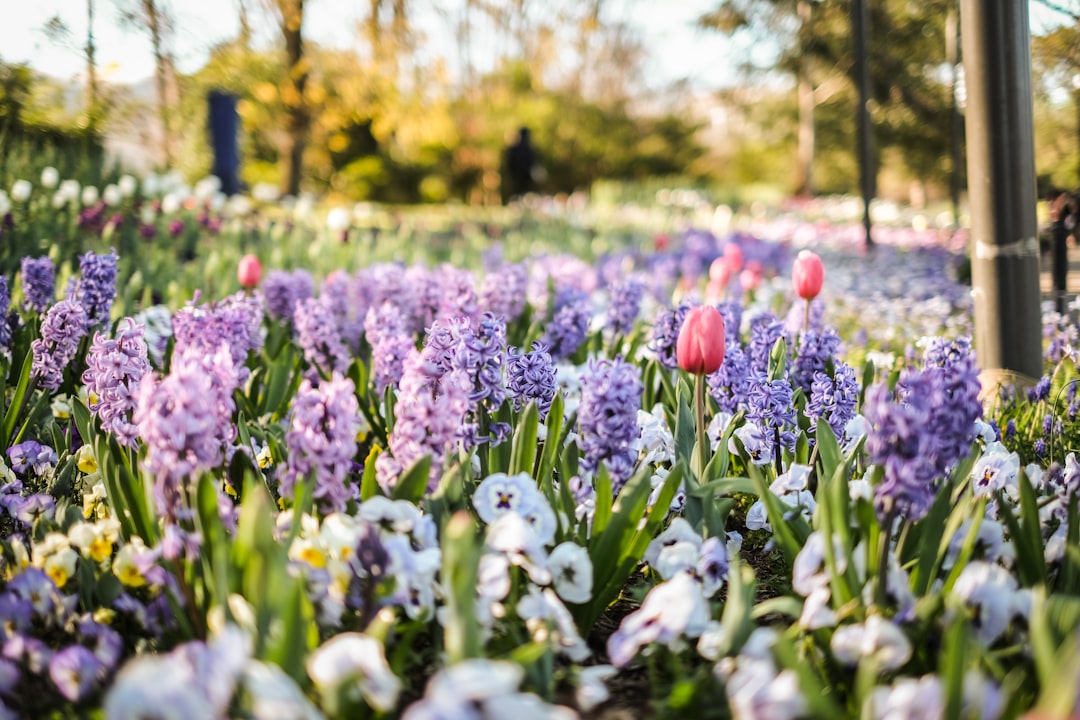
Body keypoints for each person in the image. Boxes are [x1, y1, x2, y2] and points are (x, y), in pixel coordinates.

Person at [504, 127, 538, 203]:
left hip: (518, 174)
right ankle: (524, 204)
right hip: (525, 175)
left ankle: (519, 204)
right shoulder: (530, 148)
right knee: (524, 191)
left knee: (519, 191)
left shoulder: (514, 148)